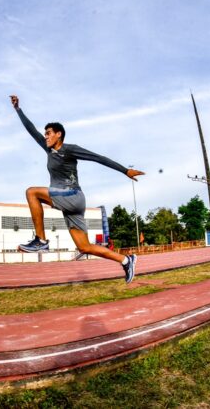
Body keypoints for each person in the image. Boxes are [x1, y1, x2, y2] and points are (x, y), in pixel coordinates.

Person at [10, 95, 145, 283]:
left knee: (31, 192)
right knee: (84, 247)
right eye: (45, 134)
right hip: (71, 203)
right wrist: (18, 109)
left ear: (59, 134)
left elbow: (98, 157)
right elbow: (31, 130)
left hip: (72, 195)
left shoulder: (70, 149)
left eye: (48, 133)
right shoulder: (49, 150)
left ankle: (41, 240)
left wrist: (125, 170)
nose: (46, 136)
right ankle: (125, 260)